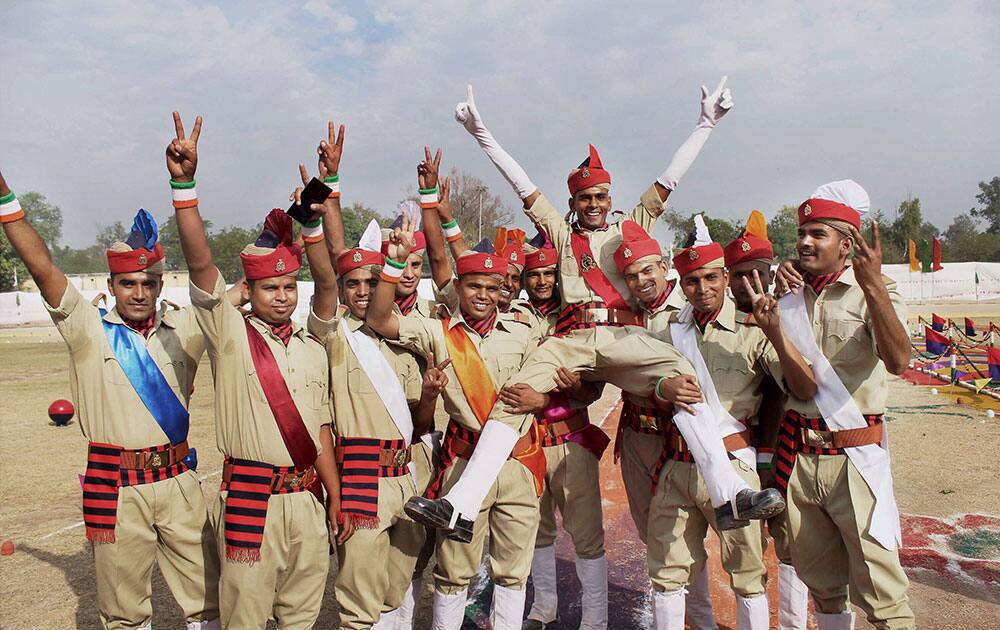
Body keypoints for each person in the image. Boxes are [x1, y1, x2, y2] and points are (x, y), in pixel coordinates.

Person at [418, 79, 778, 539]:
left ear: (611, 198)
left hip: (626, 340)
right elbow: (521, 183)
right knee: (515, 392)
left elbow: (671, 177)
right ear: (573, 202)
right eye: (585, 198)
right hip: (572, 340)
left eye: (600, 197)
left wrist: (706, 123)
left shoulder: (634, 224)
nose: (594, 204)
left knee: (686, 384)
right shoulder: (562, 234)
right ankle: (460, 506)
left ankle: (728, 493)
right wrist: (480, 130)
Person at [1, 169, 222, 630]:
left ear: (162, 285)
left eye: (149, 283)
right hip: (116, 487)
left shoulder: (187, 329)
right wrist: (5, 199)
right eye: (128, 283)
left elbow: (239, 293)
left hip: (179, 483)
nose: (139, 293)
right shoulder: (86, 329)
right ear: (112, 283)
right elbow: (42, 267)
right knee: (123, 613)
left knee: (210, 600)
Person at [167, 112, 342, 629]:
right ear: (250, 290)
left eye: (290, 288)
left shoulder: (314, 345)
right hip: (251, 500)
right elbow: (201, 266)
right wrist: (184, 186)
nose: (283, 296)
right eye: (270, 288)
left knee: (301, 619)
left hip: (307, 500)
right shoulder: (230, 335)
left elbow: (323, 432)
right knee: (244, 619)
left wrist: (331, 497)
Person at [366, 210, 545, 629]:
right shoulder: (437, 330)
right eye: (474, 286)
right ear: (457, 287)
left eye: (491, 287)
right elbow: (379, 319)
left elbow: (555, 376)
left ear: (502, 290)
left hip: (519, 462)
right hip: (464, 462)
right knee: (453, 570)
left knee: (513, 570)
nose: (482, 295)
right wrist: (393, 264)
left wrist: (541, 399)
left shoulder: (525, 330)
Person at [644, 217, 815, 629]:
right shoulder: (668, 332)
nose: (701, 289)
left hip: (732, 463)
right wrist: (662, 387)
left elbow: (801, 386)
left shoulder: (751, 330)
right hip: (677, 463)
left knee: (747, 571)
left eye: (709, 278)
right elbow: (643, 383)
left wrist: (774, 332)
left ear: (723, 278)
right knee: (666, 571)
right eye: (690, 281)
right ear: (679, 284)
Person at [773, 180, 914, 630]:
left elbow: (898, 360)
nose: (805, 242)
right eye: (803, 233)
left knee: (882, 590)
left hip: (854, 457)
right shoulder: (789, 293)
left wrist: (872, 287)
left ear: (847, 244)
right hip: (801, 458)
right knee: (824, 587)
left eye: (818, 234)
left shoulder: (875, 289)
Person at [725, 212, 810, 630]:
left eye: (756, 274)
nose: (747, 284)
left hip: (788, 446)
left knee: (792, 543)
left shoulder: (791, 308)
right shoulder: (717, 323)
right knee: (748, 548)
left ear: (771, 272)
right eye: (738, 276)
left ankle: (794, 623)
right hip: (744, 450)